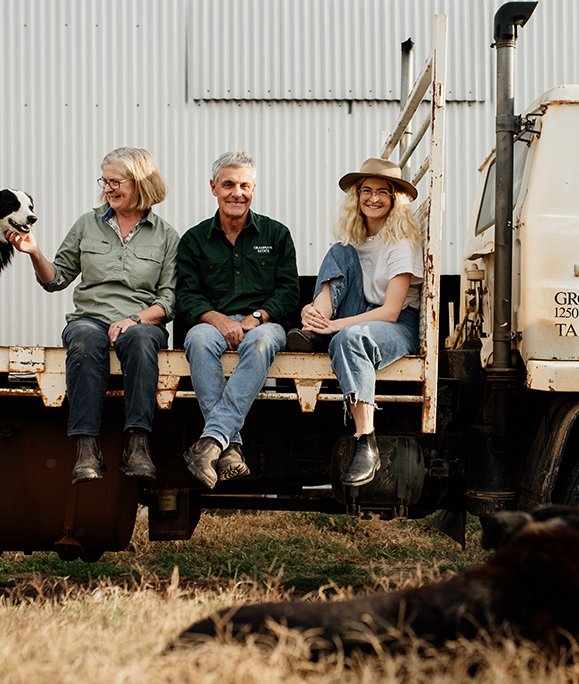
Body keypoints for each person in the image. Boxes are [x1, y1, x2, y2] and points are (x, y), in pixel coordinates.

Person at [10, 147, 178, 484]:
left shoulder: (166, 235)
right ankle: (86, 448)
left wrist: (135, 319)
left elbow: (169, 300)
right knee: (85, 339)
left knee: (143, 341)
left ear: (141, 183)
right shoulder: (87, 224)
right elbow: (55, 279)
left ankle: (137, 445)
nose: (108, 188)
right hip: (91, 317)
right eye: (105, 180)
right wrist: (34, 252)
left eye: (116, 181)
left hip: (141, 321)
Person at [285, 158, 423, 488]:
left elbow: (390, 311)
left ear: (394, 199)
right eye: (366, 191)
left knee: (351, 338)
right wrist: (316, 314)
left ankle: (366, 441)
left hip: (396, 324)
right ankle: (313, 328)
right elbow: (337, 284)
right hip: (357, 314)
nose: (373, 198)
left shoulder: (401, 242)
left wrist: (338, 326)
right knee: (339, 251)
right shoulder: (355, 242)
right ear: (356, 197)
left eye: (382, 192)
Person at [176, 150, 299, 489]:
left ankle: (211, 441)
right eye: (228, 184)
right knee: (198, 340)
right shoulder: (194, 240)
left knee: (260, 343)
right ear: (213, 187)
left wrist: (255, 318)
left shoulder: (276, 235)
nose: (237, 192)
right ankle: (229, 448)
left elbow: (289, 292)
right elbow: (185, 296)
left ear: (254, 189)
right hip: (211, 324)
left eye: (244, 185)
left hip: (263, 324)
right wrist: (218, 320)